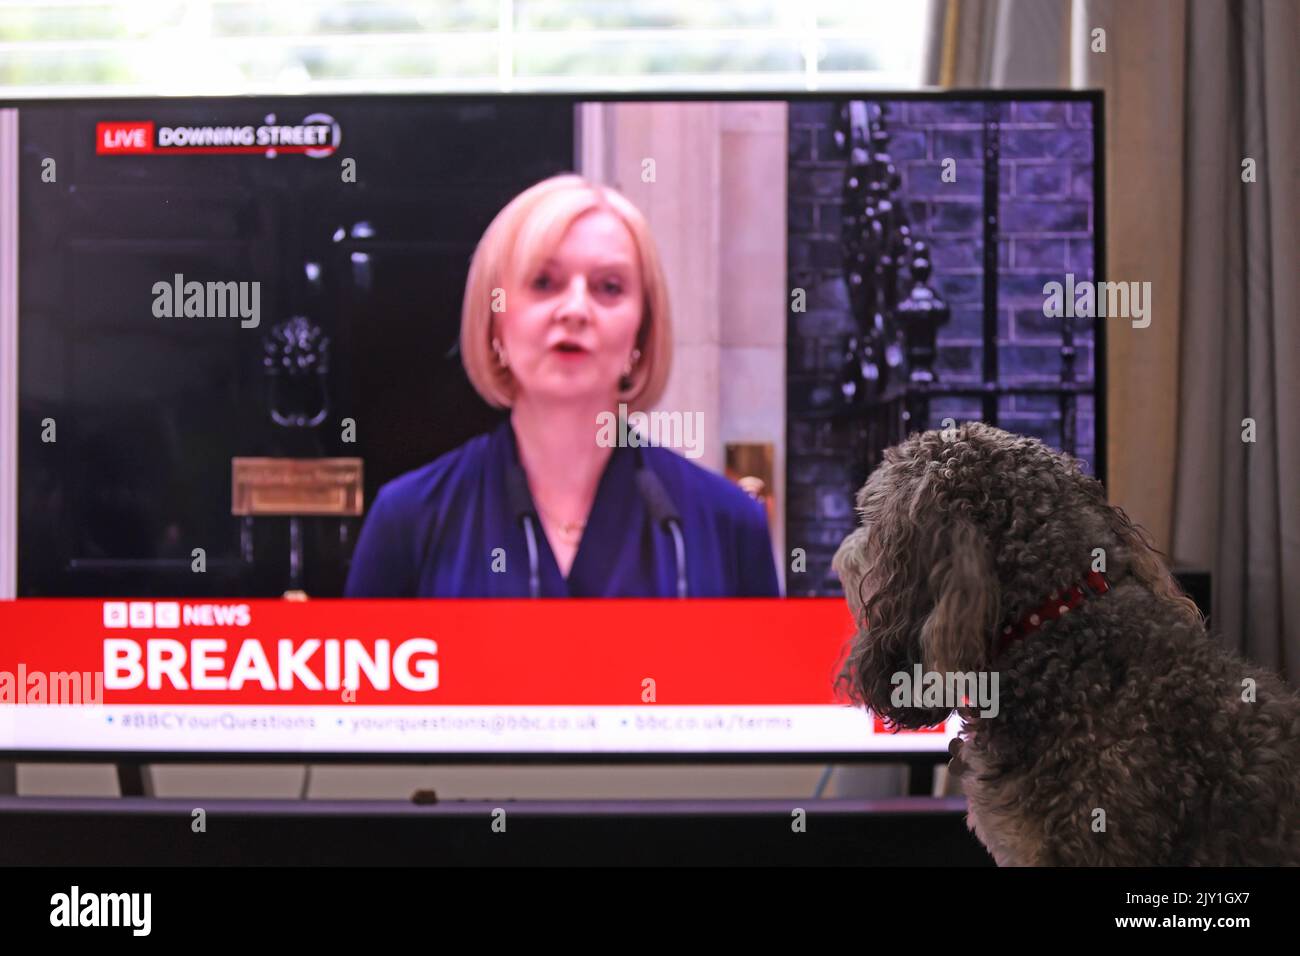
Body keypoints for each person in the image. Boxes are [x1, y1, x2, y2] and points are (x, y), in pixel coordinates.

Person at [344, 173, 780, 598]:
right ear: (494, 317)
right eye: (544, 283)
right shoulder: (409, 519)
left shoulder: (729, 524)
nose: (575, 310)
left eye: (608, 287)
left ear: (642, 330)